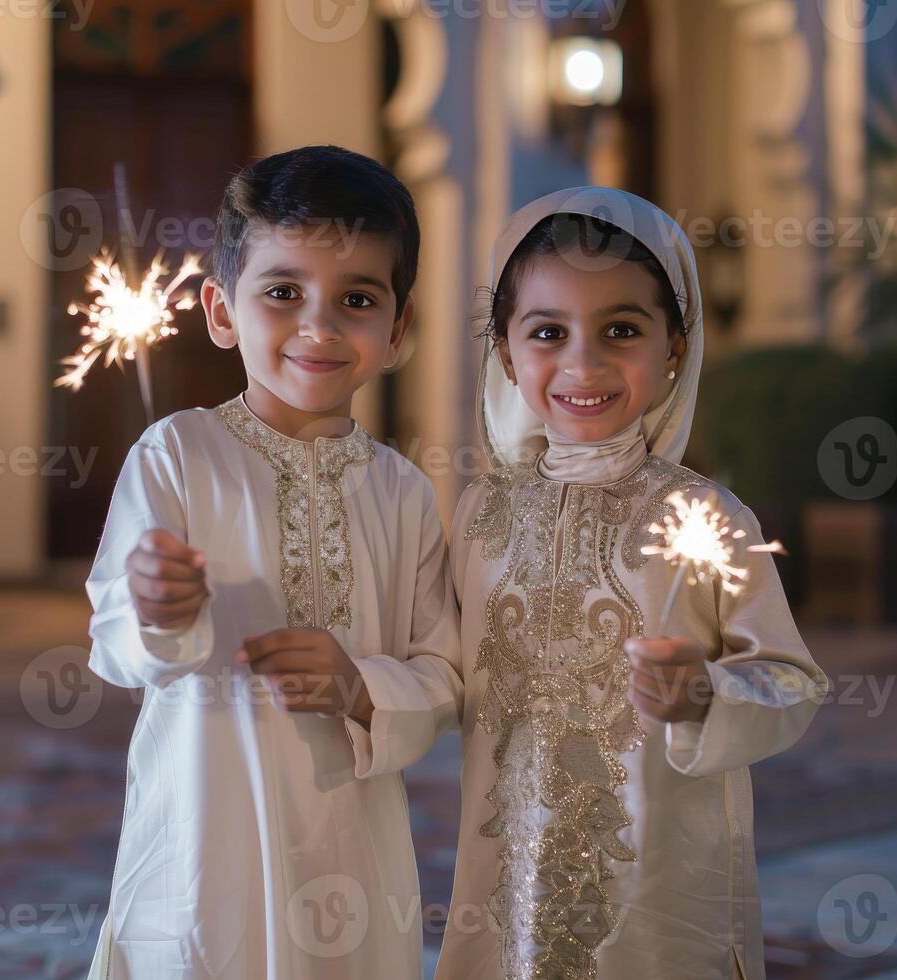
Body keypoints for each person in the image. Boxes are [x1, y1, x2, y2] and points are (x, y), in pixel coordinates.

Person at [84, 145, 462, 980]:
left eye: (356, 299)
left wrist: (364, 687)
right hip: (204, 831)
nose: (319, 327)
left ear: (398, 329)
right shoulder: (178, 454)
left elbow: (442, 671)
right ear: (221, 311)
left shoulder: (401, 492)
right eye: (283, 292)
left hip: (351, 844)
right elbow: (115, 642)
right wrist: (159, 611)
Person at [434, 187, 829, 980]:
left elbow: (791, 682)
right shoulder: (480, 515)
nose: (585, 362)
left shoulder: (704, 516)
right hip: (505, 881)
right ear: (507, 356)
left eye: (622, 329)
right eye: (548, 332)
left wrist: (706, 695)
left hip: (659, 899)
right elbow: (441, 668)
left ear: (675, 346)